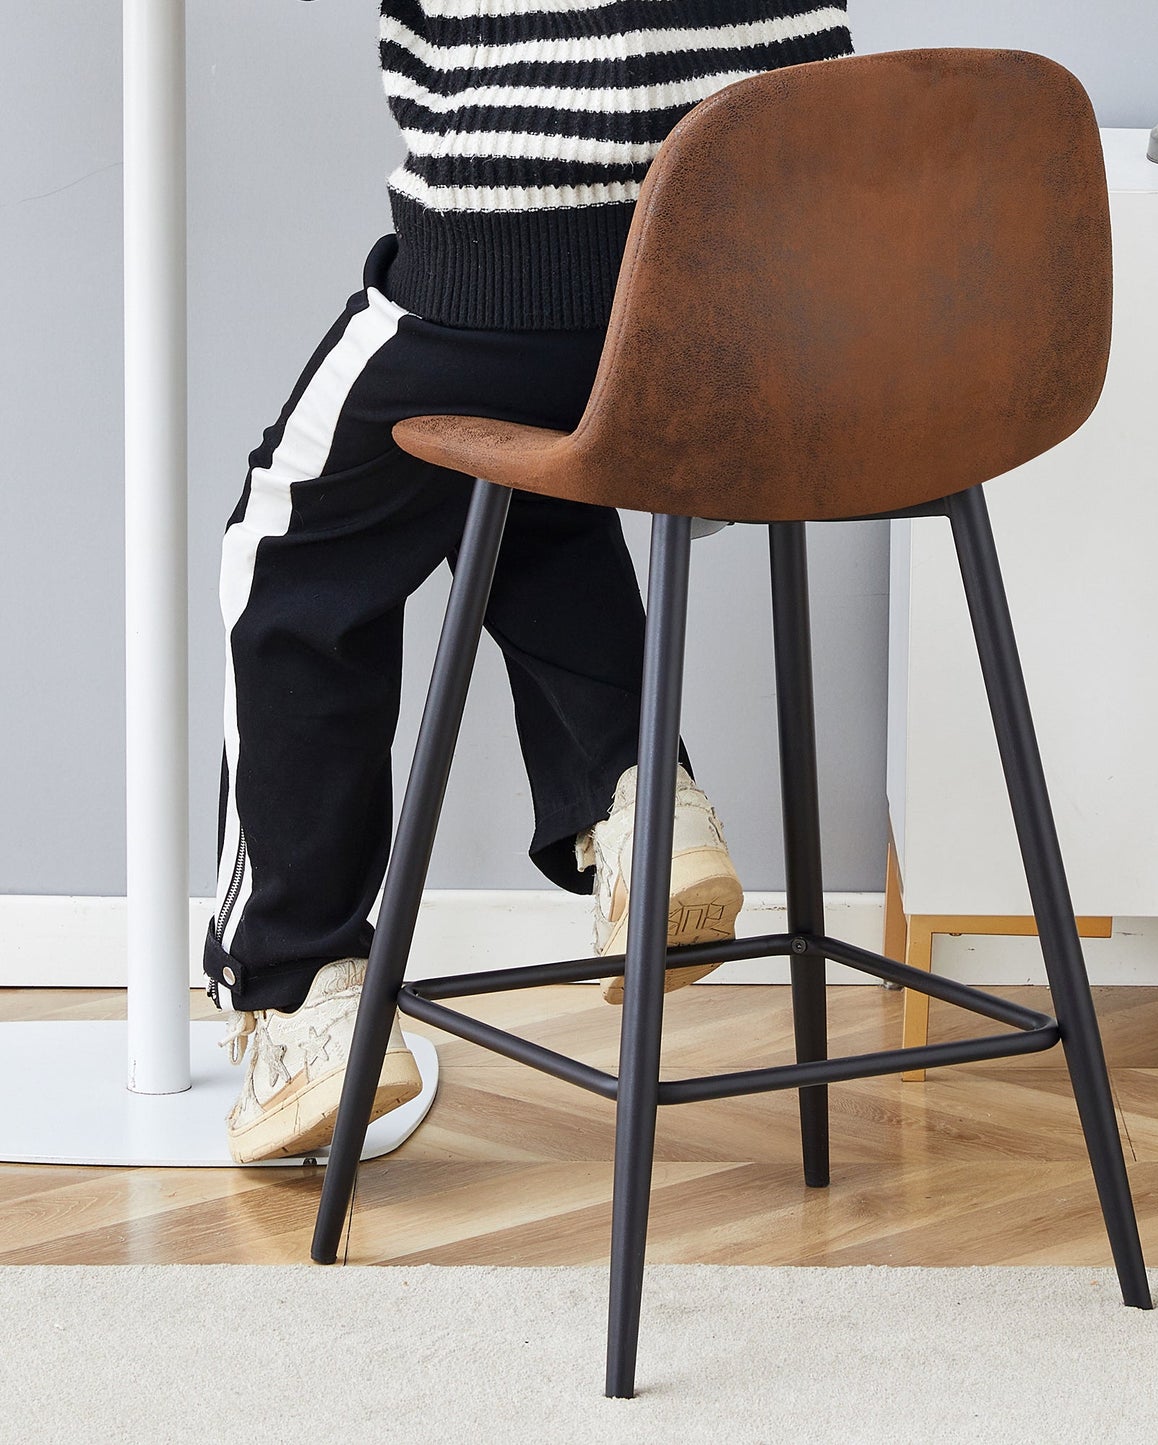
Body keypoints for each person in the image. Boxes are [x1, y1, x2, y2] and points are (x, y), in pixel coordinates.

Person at [207, 1, 855, 1163]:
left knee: (285, 549)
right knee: (508, 475)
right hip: (777, 292)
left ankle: (301, 982)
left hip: (522, 263)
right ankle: (643, 804)